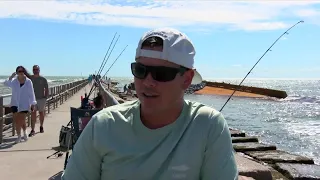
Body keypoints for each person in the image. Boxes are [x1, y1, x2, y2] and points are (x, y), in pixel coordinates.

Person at [62, 28, 238, 179]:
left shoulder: (209, 125)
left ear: (187, 79)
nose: (148, 82)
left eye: (161, 73)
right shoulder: (102, 125)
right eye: (140, 70)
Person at [4, 66, 37, 143]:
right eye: (19, 71)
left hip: (24, 104)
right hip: (15, 103)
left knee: (21, 120)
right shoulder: (14, 81)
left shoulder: (28, 81)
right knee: (16, 121)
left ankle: (21, 134)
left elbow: (31, 93)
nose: (21, 72)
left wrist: (33, 103)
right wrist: (11, 76)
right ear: (17, 72)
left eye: (22, 71)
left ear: (24, 72)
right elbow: (6, 83)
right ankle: (21, 134)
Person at [29, 65, 49, 136]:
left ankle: (41, 126)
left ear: (39, 70)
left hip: (41, 99)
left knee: (41, 113)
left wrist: (45, 97)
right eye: (34, 69)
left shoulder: (43, 79)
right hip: (33, 99)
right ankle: (33, 129)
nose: (35, 71)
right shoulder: (30, 78)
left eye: (37, 69)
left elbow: (46, 88)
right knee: (33, 114)